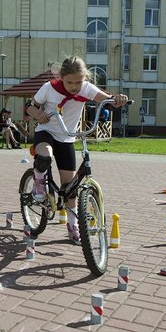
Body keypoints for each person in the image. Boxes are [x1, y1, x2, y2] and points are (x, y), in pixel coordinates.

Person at [25, 56, 128, 245]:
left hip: (67, 137)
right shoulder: (49, 88)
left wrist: (118, 99)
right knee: (44, 156)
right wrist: (38, 114)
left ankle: (73, 228)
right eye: (70, 82)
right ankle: (38, 183)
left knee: (70, 188)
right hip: (46, 132)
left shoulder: (87, 89)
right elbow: (30, 107)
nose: (74, 86)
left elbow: (109, 100)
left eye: (78, 82)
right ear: (61, 77)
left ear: (84, 77)